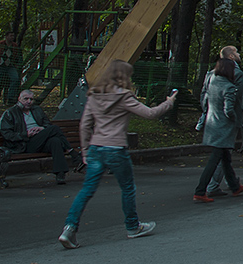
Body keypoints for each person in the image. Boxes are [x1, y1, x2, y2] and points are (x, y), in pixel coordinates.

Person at [57, 60, 176, 249]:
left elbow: (84, 125)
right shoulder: (124, 97)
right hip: (116, 148)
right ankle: (132, 226)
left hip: (96, 148)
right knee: (127, 188)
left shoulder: (94, 95)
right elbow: (150, 114)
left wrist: (85, 151)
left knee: (87, 190)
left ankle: (69, 228)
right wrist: (168, 103)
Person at [192, 55, 243, 203]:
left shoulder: (212, 81)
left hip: (212, 122)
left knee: (225, 158)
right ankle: (200, 190)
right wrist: (235, 120)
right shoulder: (229, 87)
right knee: (215, 159)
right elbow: (228, 110)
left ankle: (235, 186)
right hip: (224, 127)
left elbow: (205, 99)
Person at [0, 90, 79, 184]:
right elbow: (6, 134)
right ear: (19, 99)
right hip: (24, 144)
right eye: (26, 99)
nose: (29, 101)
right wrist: (26, 134)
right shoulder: (10, 113)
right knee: (55, 128)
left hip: (41, 140)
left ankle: (60, 174)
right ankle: (72, 152)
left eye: (31, 99)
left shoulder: (37, 110)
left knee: (55, 141)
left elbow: (47, 124)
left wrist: (42, 128)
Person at [0, 32, 22, 106]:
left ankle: (10, 97)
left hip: (10, 66)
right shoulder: (0, 44)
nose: (12, 37)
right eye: (10, 35)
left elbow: (16, 54)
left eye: (13, 35)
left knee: (15, 79)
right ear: (6, 36)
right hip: (0, 66)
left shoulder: (14, 45)